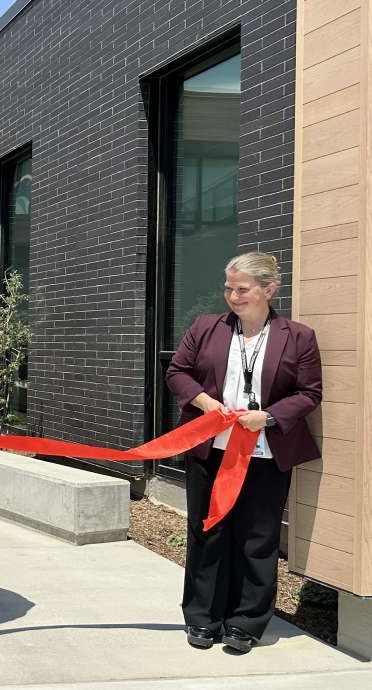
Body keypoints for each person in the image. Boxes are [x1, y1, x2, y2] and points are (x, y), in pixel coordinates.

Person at [165, 251, 322, 654]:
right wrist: (203, 402)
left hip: (266, 453)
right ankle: (202, 618)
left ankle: (246, 622)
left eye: (242, 289)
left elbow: (309, 393)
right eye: (228, 288)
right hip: (210, 450)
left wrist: (267, 417)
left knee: (258, 538)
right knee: (208, 532)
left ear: (269, 289)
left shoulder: (298, 336)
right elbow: (176, 372)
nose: (232, 296)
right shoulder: (205, 327)